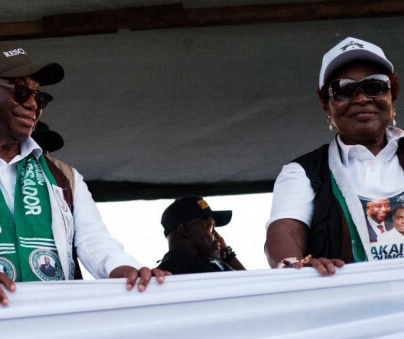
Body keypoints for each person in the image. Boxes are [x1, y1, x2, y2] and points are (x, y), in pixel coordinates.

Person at [0, 43, 167, 309]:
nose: (34, 104)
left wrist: (121, 268)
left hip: (53, 329)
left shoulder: (65, 177)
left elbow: (94, 240)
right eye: (22, 91)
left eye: (40, 96)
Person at [265, 37, 402, 274]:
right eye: (344, 90)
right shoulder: (302, 173)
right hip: (357, 309)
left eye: (375, 86)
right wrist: (293, 263)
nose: (361, 98)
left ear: (392, 95)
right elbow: (284, 232)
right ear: (326, 105)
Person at [157, 196, 245, 274]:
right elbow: (250, 286)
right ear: (184, 229)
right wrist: (228, 255)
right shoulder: (206, 269)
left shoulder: (161, 273)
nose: (218, 236)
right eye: (210, 226)